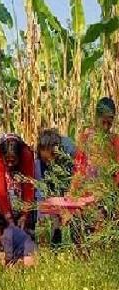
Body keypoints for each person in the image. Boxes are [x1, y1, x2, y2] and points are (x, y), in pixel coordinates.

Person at [69, 97, 119, 247]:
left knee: (103, 240)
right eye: (102, 121)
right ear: (96, 118)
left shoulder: (115, 141)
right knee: (81, 239)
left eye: (109, 122)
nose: (105, 126)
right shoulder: (85, 139)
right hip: (85, 200)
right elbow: (78, 169)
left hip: (107, 200)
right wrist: (71, 196)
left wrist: (108, 194)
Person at [34, 128, 75, 247]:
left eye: (49, 159)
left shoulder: (69, 150)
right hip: (55, 187)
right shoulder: (41, 159)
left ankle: (78, 246)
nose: (47, 162)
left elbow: (77, 175)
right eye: (45, 160)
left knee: (74, 218)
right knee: (53, 218)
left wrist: (69, 198)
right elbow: (45, 186)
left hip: (74, 183)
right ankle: (55, 242)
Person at [0, 133, 36, 236]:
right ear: (2, 157)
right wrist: (8, 218)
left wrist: (24, 215)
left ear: (19, 157)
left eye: (13, 160)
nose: (10, 164)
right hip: (3, 197)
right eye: (7, 161)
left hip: (20, 191)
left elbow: (29, 188)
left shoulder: (26, 155)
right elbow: (0, 191)